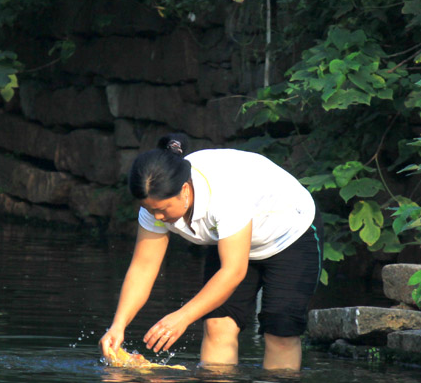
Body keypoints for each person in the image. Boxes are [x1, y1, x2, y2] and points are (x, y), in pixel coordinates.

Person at [99, 133, 323, 370]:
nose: (157, 217)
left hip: (289, 234)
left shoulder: (225, 195)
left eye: (163, 209)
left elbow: (234, 272)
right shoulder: (155, 204)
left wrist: (182, 317)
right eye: (149, 209)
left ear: (185, 189)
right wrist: (118, 325)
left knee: (281, 330)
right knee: (217, 324)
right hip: (230, 238)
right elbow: (143, 266)